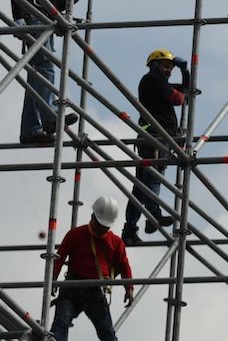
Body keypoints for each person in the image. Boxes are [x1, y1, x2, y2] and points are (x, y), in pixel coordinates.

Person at [10, 0, 98, 144]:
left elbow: (53, 6)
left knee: (36, 76)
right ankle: (50, 118)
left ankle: (30, 129)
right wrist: (18, 17)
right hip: (33, 20)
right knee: (46, 68)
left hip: (43, 22)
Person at [121, 49, 189, 245]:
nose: (169, 70)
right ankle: (154, 216)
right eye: (166, 66)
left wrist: (185, 73)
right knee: (153, 179)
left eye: (171, 67)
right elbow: (179, 98)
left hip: (157, 137)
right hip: (153, 137)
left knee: (141, 188)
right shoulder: (151, 80)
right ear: (155, 64)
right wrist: (183, 88)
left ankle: (131, 229)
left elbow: (187, 89)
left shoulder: (159, 83)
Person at [50, 196, 134, 341]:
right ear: (92, 217)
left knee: (107, 334)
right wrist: (53, 280)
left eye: (105, 227)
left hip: (96, 291)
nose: (102, 229)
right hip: (72, 287)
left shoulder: (116, 243)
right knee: (61, 322)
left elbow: (124, 265)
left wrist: (129, 289)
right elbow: (60, 257)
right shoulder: (75, 235)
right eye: (101, 225)